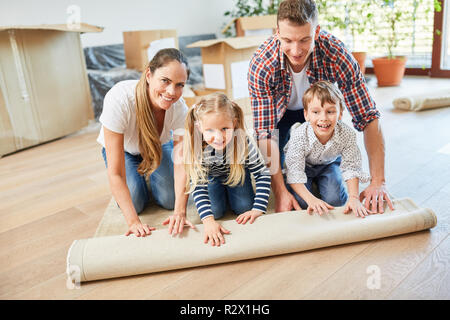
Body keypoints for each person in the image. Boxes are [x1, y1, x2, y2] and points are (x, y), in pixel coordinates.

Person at [248, 0, 394, 214]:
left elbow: (368, 116)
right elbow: (265, 133)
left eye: (305, 39)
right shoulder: (262, 64)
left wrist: (378, 182)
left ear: (316, 31)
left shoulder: (336, 53)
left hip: (319, 112)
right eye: (287, 40)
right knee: (296, 192)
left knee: (334, 197)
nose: (296, 51)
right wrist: (280, 192)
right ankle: (294, 177)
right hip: (280, 115)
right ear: (277, 31)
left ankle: (327, 166)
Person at [97, 48, 195, 238]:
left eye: (179, 85)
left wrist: (179, 212)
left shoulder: (180, 108)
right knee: (136, 202)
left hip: (158, 146)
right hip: (125, 150)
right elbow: (115, 173)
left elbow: (182, 163)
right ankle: (140, 175)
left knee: (171, 199)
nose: (171, 92)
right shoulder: (120, 98)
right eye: (165, 81)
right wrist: (133, 222)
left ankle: (149, 172)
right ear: (149, 74)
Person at [183, 93, 271, 247]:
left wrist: (259, 209)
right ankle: (218, 194)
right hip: (210, 178)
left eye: (225, 128)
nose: (218, 137)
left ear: (234, 124)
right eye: (210, 130)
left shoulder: (243, 142)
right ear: (200, 128)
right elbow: (198, 185)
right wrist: (208, 221)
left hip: (235, 174)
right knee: (215, 212)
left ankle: (230, 193)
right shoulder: (198, 147)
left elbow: (262, 173)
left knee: (244, 207)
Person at [284, 81, 371, 218]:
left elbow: (351, 167)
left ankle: (323, 184)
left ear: (340, 114)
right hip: (303, 166)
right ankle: (312, 188)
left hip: (329, 163)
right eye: (316, 112)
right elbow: (294, 172)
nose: (323, 118)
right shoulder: (299, 136)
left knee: (335, 200)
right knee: (303, 202)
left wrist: (354, 197)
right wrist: (311, 199)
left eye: (330, 111)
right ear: (306, 115)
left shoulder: (347, 134)